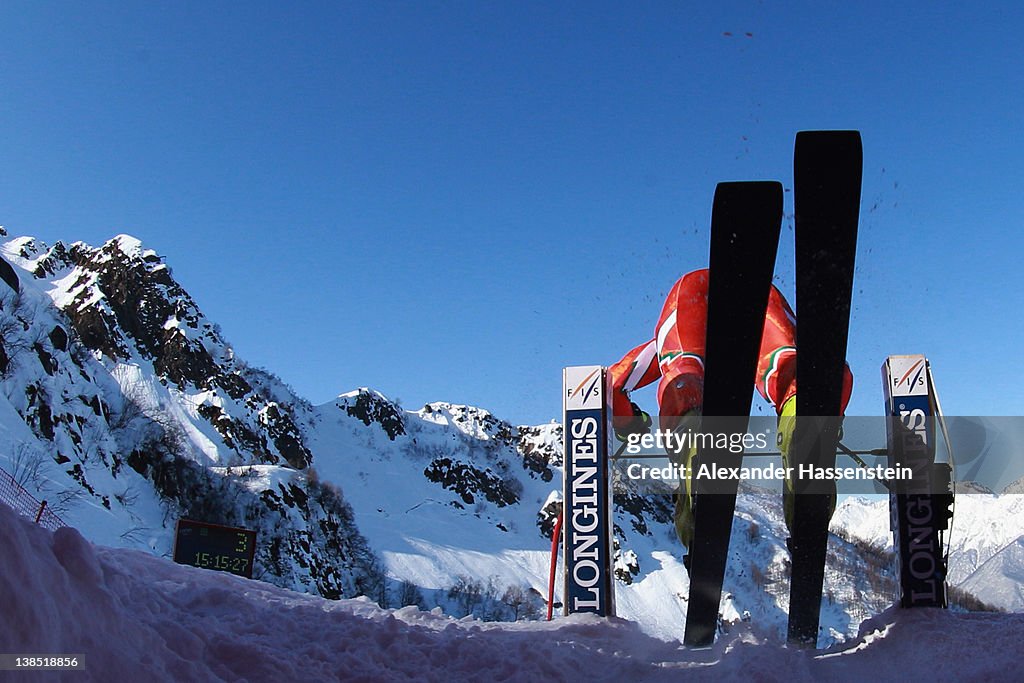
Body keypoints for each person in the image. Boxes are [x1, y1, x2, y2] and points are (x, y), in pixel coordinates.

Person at [609, 268, 852, 550]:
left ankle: (695, 452)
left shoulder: (668, 346)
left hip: (691, 295)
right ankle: (801, 420)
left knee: (683, 374)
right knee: (790, 371)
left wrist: (629, 424)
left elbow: (609, 385)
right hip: (757, 291)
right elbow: (829, 371)